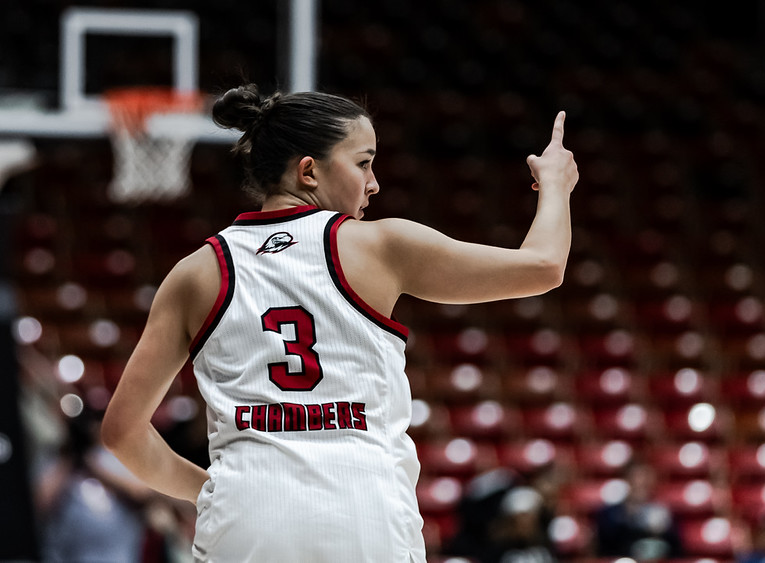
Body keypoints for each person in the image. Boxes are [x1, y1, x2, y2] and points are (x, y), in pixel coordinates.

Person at [101, 83, 578, 562]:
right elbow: (542, 267)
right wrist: (555, 184)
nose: (374, 183)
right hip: (363, 508)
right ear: (309, 170)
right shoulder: (380, 245)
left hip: (246, 514)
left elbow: (122, 433)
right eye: (364, 162)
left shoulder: (196, 271)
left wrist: (209, 488)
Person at [594, 458, 683, 560]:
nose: (641, 483)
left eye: (645, 479)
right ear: (627, 480)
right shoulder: (611, 514)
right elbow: (605, 546)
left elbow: (677, 550)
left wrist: (664, 530)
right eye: (636, 478)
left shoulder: (663, 513)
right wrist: (628, 518)